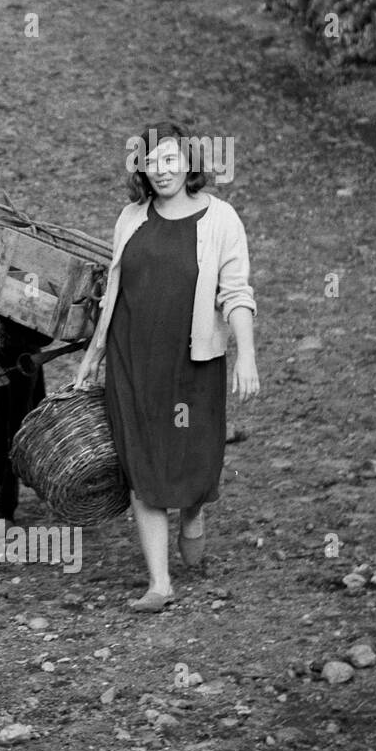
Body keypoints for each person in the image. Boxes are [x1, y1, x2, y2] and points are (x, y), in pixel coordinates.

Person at [74, 122, 259, 612]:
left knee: (197, 460)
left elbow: (236, 293)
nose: (162, 171)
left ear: (192, 162)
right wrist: (93, 358)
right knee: (142, 464)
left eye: (172, 159)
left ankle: (193, 513)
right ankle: (160, 584)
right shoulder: (130, 218)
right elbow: (113, 294)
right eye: (152, 162)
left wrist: (247, 355)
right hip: (131, 360)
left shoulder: (221, 219)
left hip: (193, 361)